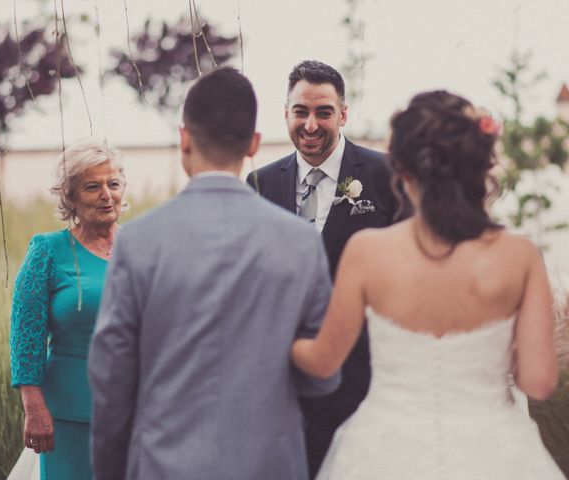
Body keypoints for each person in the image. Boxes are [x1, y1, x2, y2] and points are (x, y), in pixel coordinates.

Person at [291, 90, 564, 479]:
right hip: (493, 452)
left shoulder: (367, 252)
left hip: (382, 451)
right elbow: (538, 383)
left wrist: (287, 338)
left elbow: (323, 361)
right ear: (478, 164)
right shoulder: (519, 256)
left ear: (400, 169)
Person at [88, 67, 339, 480]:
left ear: (184, 139)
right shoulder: (301, 242)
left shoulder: (137, 242)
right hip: (270, 465)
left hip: (165, 465)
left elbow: (112, 379)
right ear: (254, 144)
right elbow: (323, 375)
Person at [247, 59, 398, 476]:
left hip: (364, 376)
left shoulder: (386, 176)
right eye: (301, 112)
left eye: (323, 112)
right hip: (284, 381)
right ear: (286, 113)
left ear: (343, 114)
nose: (310, 124)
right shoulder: (260, 184)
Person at [9, 141, 127, 479]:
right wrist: (34, 408)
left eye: (113, 184)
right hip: (69, 411)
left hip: (135, 408)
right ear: (70, 196)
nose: (107, 194)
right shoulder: (47, 250)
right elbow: (25, 336)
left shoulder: (141, 247)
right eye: (93, 186)